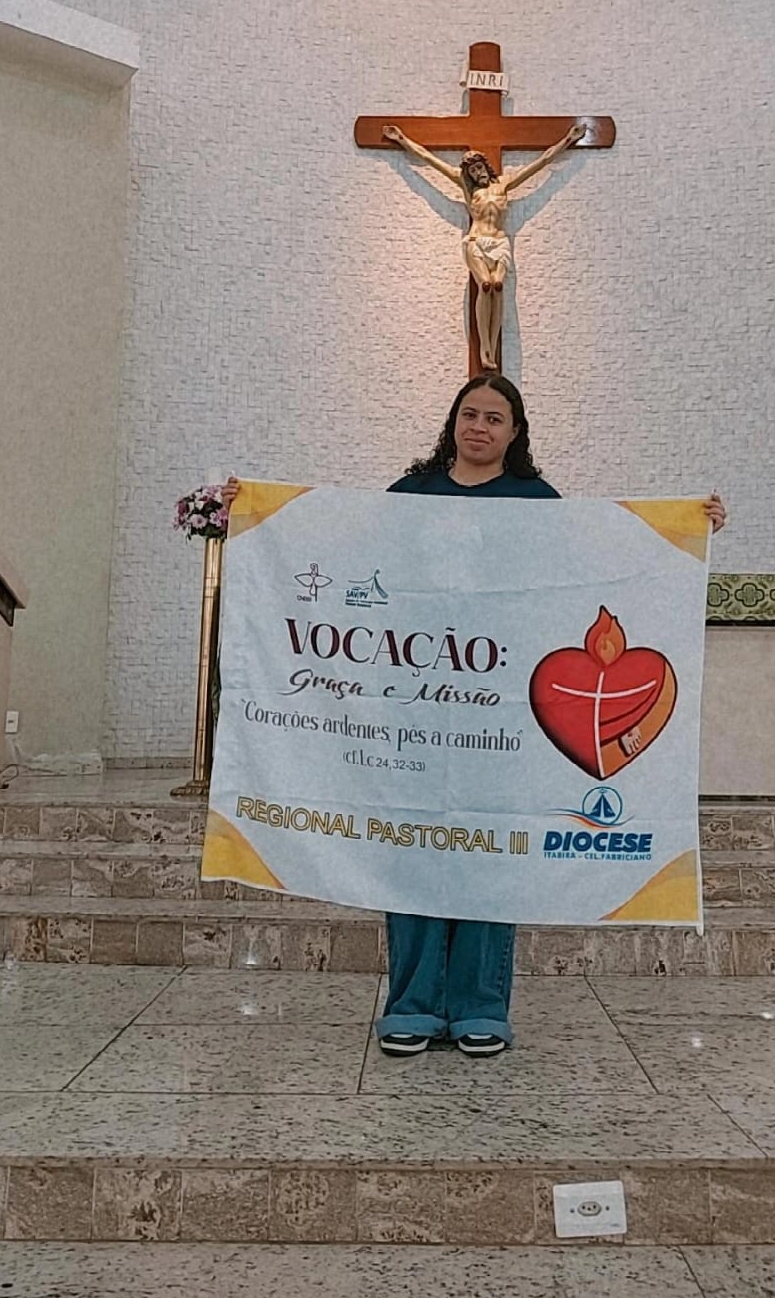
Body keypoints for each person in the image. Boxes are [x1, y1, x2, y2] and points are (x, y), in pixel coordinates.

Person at [221, 375, 727, 1059]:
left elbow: (594, 568)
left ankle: (480, 1005)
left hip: (500, 716)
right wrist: (258, 515)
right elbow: (344, 551)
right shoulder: (411, 495)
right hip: (417, 706)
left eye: (494, 417)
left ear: (515, 432)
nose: (479, 427)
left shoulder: (536, 503)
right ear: (452, 422)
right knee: (412, 851)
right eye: (469, 414)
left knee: (490, 853)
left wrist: (686, 528)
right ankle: (412, 1005)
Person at [381, 123, 587, 371]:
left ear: (485, 166)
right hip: (476, 242)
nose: (476, 172)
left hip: (499, 242)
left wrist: (568, 140)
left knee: (498, 286)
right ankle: (484, 349)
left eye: (478, 167)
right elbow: (429, 159)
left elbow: (541, 162)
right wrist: (402, 139)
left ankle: (493, 344)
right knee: (486, 285)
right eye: (472, 170)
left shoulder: (504, 185)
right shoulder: (467, 187)